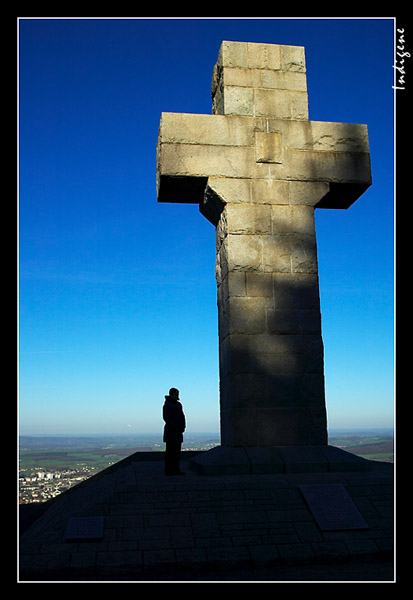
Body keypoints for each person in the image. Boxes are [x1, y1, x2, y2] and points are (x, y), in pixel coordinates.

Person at [163, 387, 186, 475]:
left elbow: (182, 416)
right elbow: (166, 418)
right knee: (170, 453)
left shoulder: (178, 405)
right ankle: (168, 471)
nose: (177, 396)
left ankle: (176, 470)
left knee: (176, 453)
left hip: (178, 432)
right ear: (171, 395)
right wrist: (176, 427)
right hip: (171, 432)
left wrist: (183, 427)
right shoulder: (167, 405)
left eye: (178, 394)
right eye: (176, 394)